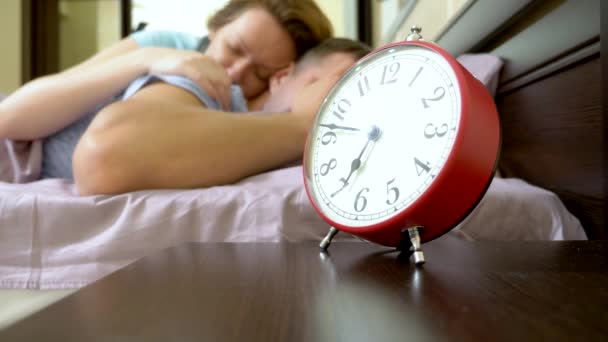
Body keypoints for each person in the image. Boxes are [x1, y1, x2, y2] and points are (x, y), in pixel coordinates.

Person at [0, 0, 333, 178]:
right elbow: (10, 116)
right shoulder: (169, 47)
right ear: (217, 27)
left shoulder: (246, 109)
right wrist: (145, 59)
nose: (234, 73)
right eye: (234, 48)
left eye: (260, 73)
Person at [72, 38, 372, 195]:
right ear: (281, 78)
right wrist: (306, 124)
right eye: (338, 85)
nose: (345, 109)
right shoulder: (209, 84)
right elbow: (104, 156)